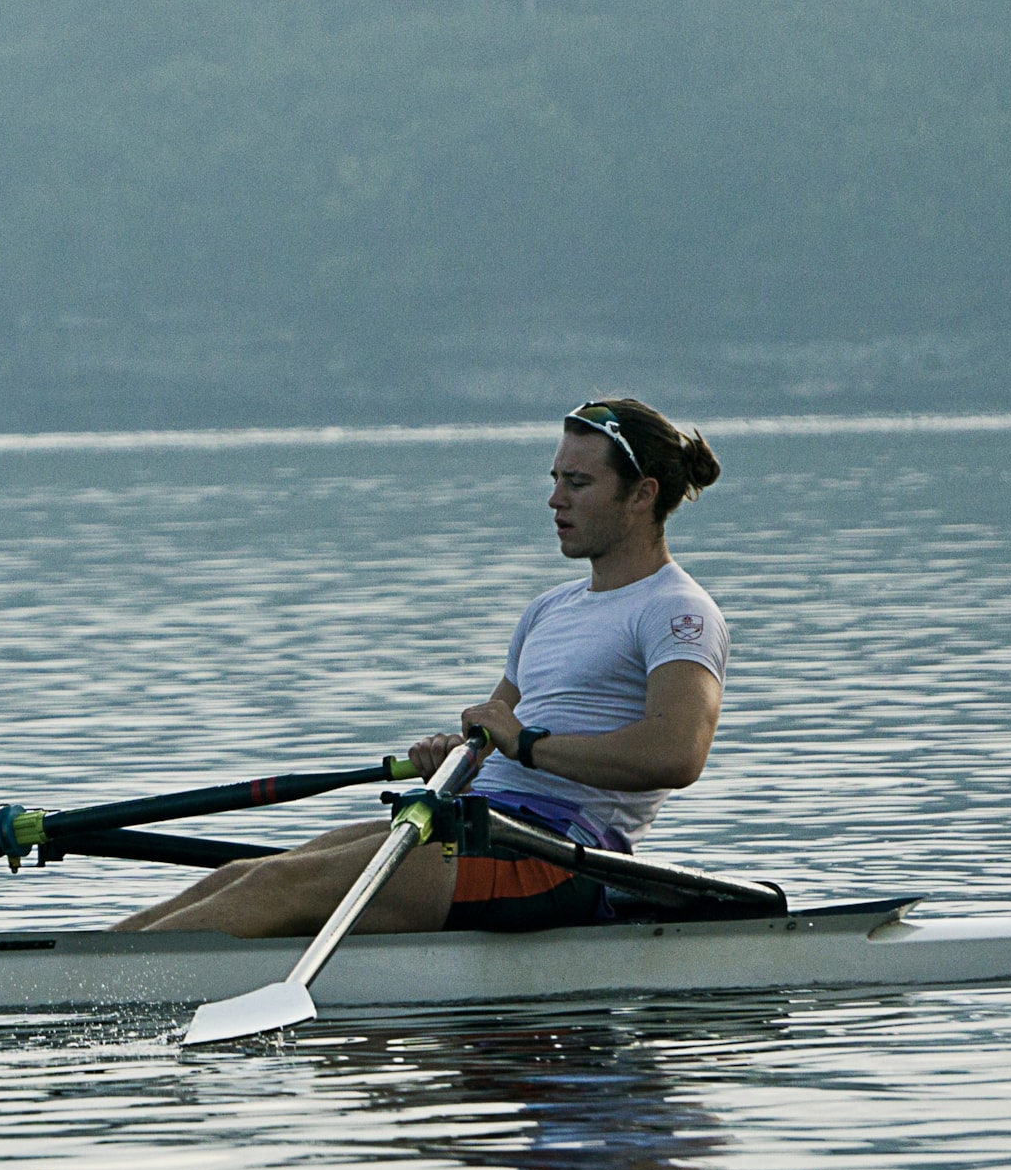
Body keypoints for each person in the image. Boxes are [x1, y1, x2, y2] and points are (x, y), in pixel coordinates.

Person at [113, 397, 726, 937]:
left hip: (557, 853)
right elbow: (492, 734)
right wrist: (456, 753)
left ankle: (87, 994)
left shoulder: (676, 610)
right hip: (473, 819)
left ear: (642, 493)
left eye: (578, 483)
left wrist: (527, 745)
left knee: (280, 892)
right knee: (255, 872)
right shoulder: (549, 610)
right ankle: (70, 973)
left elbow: (676, 755)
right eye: (555, 478)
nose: (554, 499)